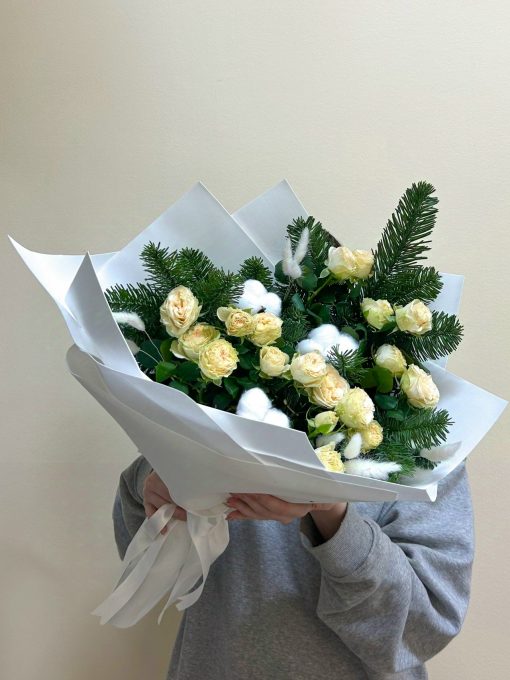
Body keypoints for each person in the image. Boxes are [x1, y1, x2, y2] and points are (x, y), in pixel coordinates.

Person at [113, 454, 474, 680]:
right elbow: (152, 576)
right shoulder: (210, 394)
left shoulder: (423, 441)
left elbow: (420, 628)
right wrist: (157, 478)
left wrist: (332, 515)